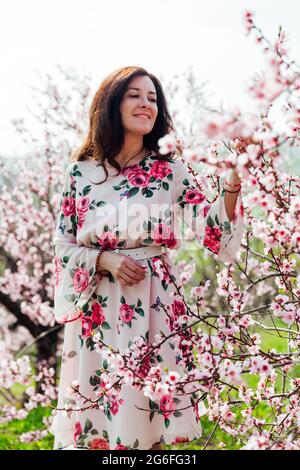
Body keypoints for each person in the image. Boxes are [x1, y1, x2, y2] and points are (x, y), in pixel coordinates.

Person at [50, 66, 244, 450]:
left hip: (154, 304)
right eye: (135, 95)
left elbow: (213, 232)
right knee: (99, 426)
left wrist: (232, 183)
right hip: (99, 310)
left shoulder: (170, 170)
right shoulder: (82, 172)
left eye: (153, 98)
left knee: (149, 424)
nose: (146, 104)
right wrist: (105, 260)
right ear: (112, 104)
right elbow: (63, 244)